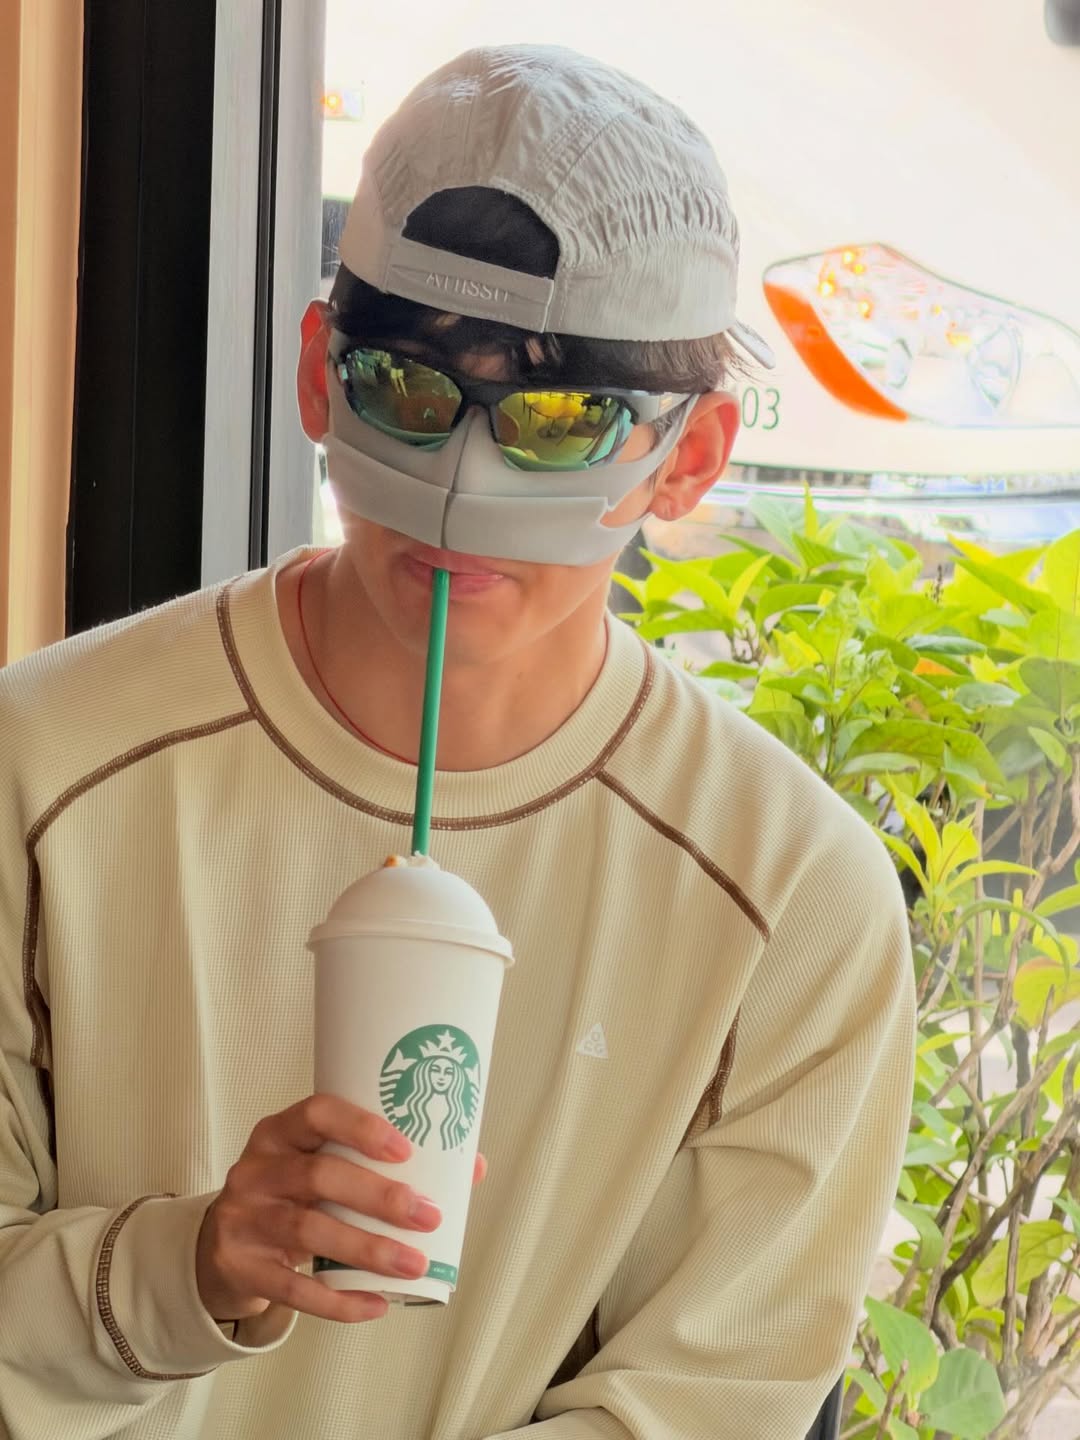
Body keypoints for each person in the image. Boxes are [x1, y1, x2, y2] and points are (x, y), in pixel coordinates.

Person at [0, 43, 915, 1440]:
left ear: (690, 456)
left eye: (559, 422)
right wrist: (191, 1268)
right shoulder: (44, 765)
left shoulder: (790, 899)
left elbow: (705, 1404)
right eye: (408, 391)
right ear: (319, 375)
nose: (461, 479)